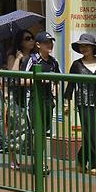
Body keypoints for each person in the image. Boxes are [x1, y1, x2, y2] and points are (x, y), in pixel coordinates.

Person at [63, 33, 96, 175]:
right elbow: (70, 84)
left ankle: (81, 159)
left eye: (86, 45)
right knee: (89, 133)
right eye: (81, 46)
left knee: (93, 135)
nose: (83, 48)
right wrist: (66, 102)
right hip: (83, 102)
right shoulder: (76, 64)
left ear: (92, 47)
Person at [23, 31, 61, 175]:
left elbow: (57, 80)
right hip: (33, 100)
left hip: (48, 101)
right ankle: (39, 162)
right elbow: (21, 80)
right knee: (37, 132)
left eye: (51, 42)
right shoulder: (31, 60)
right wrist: (41, 80)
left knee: (44, 133)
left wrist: (56, 95)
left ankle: (40, 161)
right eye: (46, 43)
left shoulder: (53, 62)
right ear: (38, 45)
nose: (49, 45)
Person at [6, 29, 36, 169]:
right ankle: (13, 158)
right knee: (15, 127)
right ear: (20, 41)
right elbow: (13, 77)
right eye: (27, 38)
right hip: (17, 96)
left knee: (33, 127)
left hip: (32, 95)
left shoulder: (36, 57)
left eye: (32, 38)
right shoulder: (13, 56)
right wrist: (18, 59)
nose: (31, 40)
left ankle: (35, 158)